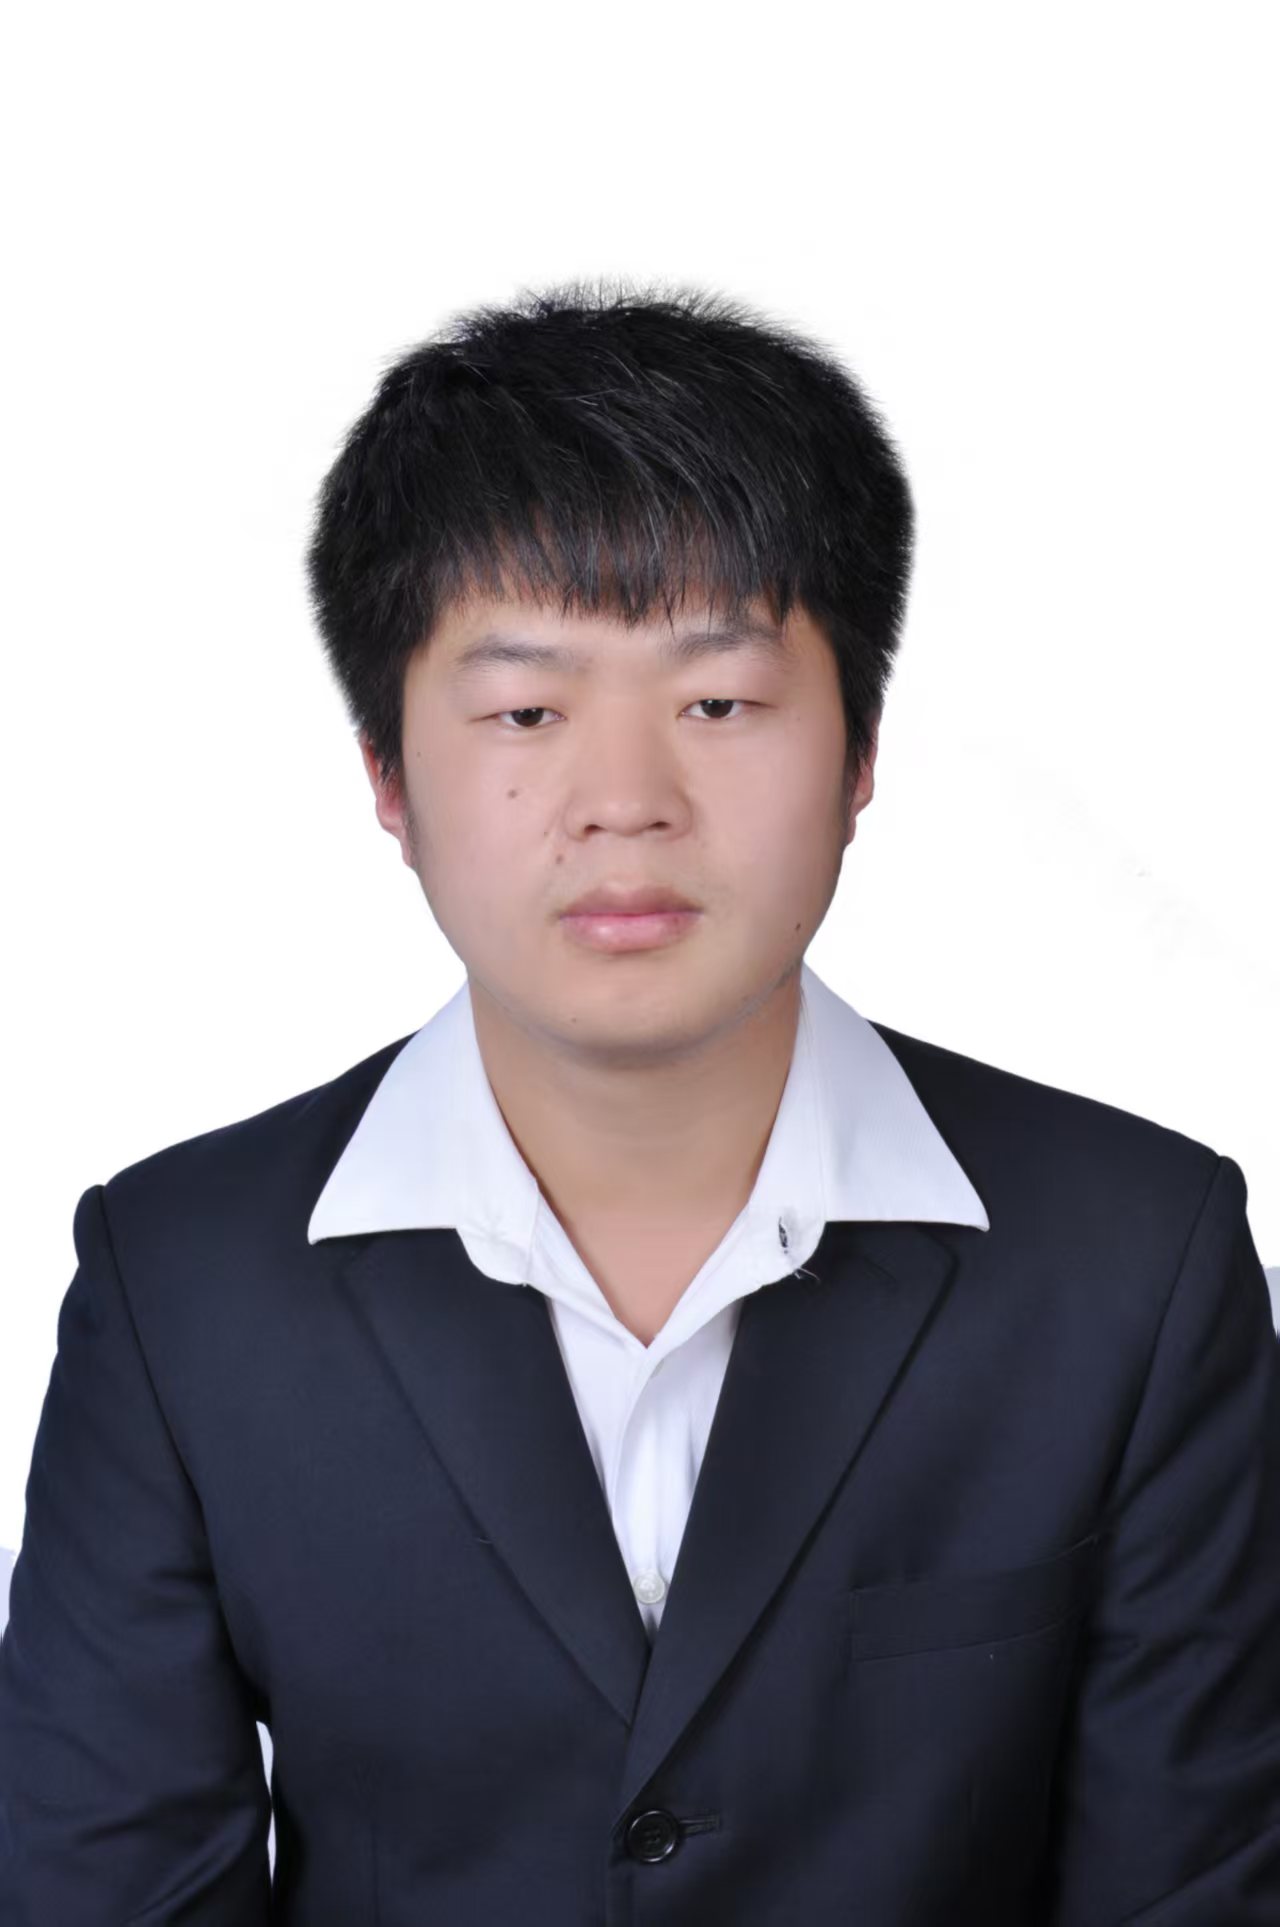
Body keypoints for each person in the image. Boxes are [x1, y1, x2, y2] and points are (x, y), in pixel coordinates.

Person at [1, 278, 1277, 1926]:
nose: (624, 803)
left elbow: (1197, 1892)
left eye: (718, 703)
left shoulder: (1134, 1262)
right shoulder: (186, 1281)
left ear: (860, 752)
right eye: (527, 712)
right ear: (389, 775)